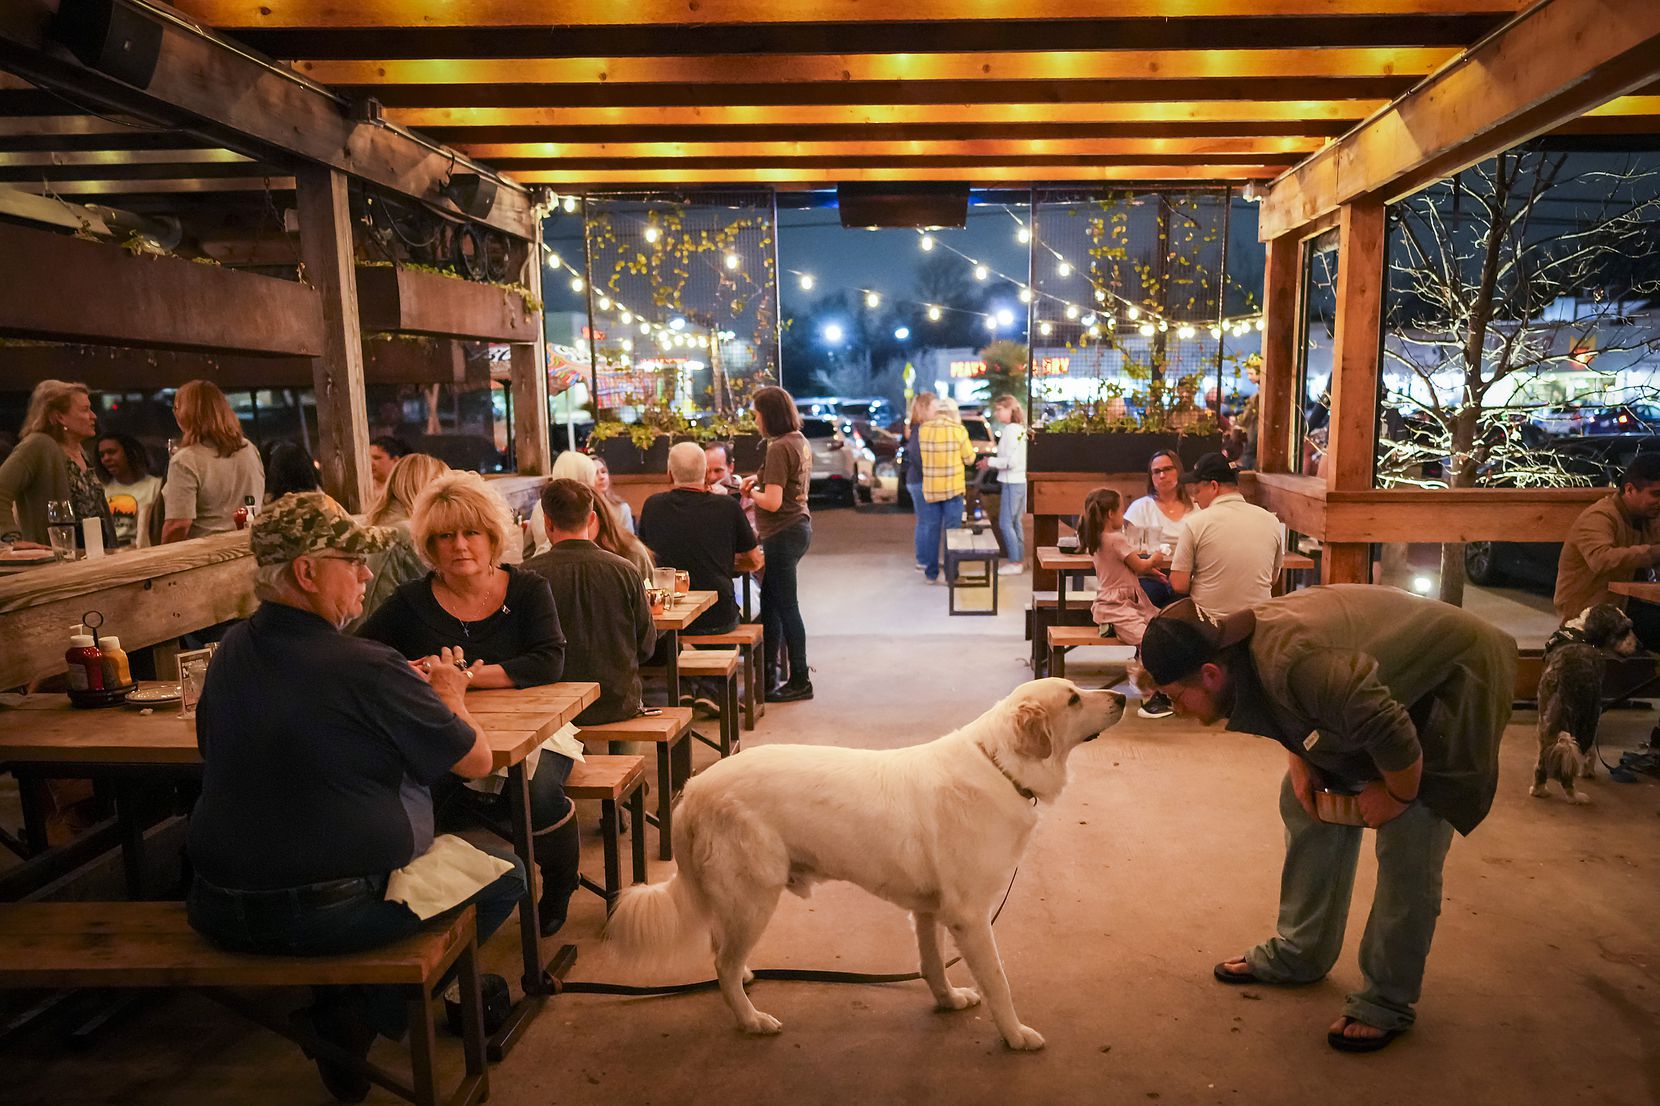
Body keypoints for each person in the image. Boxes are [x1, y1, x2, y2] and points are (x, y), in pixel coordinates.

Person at [186, 492, 525, 1100]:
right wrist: (451, 693)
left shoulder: (230, 651)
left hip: (214, 906)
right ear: (306, 573)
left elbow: (212, 745)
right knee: (507, 875)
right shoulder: (367, 666)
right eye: (354, 561)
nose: (368, 574)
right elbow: (475, 761)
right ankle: (360, 1018)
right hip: (326, 913)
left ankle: (346, 1007)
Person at [1140, 588, 1517, 1053]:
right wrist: (1302, 759)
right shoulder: (1238, 646)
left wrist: (1397, 792)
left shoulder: (1299, 664)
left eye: (1174, 698)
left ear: (1211, 673)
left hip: (1456, 678)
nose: (1175, 710)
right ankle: (1303, 950)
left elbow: (1389, 729)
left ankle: (1386, 1000)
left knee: (1411, 832)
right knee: (1302, 797)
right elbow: (1290, 706)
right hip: (1380, 688)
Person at [357, 471, 576, 935]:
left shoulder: (528, 589)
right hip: (443, 730)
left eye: (470, 532)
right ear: (428, 545)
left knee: (536, 793)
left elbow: (548, 661)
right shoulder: (409, 601)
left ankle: (559, 882)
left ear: (492, 536)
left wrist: (465, 678)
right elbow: (364, 656)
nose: (459, 545)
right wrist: (411, 670)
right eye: (444, 536)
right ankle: (438, 909)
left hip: (538, 725)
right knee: (412, 796)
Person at [640, 444, 765, 713]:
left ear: (669, 475)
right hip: (717, 616)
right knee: (726, 617)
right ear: (707, 474)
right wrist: (721, 563)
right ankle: (710, 688)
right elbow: (755, 559)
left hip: (669, 617)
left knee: (674, 635)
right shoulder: (726, 507)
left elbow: (647, 558)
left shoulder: (652, 507)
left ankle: (686, 686)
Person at [523, 479, 658, 725]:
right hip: (618, 702)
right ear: (592, 518)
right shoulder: (625, 570)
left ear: (547, 522)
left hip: (553, 706)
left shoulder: (527, 575)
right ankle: (625, 759)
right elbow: (647, 647)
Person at [743, 385, 814, 702]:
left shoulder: (777, 448)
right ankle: (768, 677)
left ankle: (800, 680)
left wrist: (748, 493)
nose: (755, 420)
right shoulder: (797, 441)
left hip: (782, 532)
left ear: (768, 414)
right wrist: (755, 482)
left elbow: (772, 501)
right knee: (772, 606)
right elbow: (783, 484)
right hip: (796, 527)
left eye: (757, 413)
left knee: (787, 607)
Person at [1554, 454, 1660, 648]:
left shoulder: (1648, 516)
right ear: (1629, 489)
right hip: (1589, 617)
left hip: (1624, 608)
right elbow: (1601, 559)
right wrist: (1654, 553)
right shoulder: (1599, 516)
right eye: (1656, 494)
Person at [0, 379, 115, 549]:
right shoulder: (38, 445)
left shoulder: (80, 451)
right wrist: (11, 540)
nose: (93, 416)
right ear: (59, 416)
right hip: (56, 564)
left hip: (92, 559)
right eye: (85, 410)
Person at [1078, 488, 1167, 703]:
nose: (1123, 517)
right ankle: (1149, 693)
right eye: (1121, 512)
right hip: (1118, 607)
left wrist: (1149, 571)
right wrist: (1157, 556)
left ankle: (1156, 684)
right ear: (1111, 514)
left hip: (1119, 603)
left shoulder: (1097, 537)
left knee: (1158, 630)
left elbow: (1126, 568)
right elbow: (1141, 565)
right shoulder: (1116, 539)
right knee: (1148, 639)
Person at [1170, 452, 1282, 618]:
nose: (1194, 499)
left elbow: (1179, 584)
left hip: (1210, 628)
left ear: (1214, 486)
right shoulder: (1271, 521)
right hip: (1259, 625)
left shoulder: (1196, 523)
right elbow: (1273, 578)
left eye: (1197, 491)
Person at [350, 452, 451, 629]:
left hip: (359, 636)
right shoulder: (410, 534)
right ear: (430, 491)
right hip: (386, 641)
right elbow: (444, 594)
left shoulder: (374, 525)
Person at [161, 379, 263, 542]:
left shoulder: (185, 460)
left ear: (186, 413)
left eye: (176, 408)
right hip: (249, 546)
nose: (175, 414)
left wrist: (164, 561)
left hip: (208, 555)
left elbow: (178, 525)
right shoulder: (248, 448)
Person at [915, 396, 978, 585]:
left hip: (932, 490)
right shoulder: (958, 430)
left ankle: (931, 574)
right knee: (953, 534)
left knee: (931, 531)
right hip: (953, 490)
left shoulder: (924, 430)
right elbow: (969, 458)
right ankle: (952, 575)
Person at [1124, 449, 1194, 607]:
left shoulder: (1196, 508)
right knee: (1150, 593)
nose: (1162, 476)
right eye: (1156, 472)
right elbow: (1133, 550)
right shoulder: (1140, 508)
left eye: (1168, 469)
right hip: (1150, 574)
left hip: (1189, 576)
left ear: (1178, 471)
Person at [982, 394, 1028, 575]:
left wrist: (990, 463)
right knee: (1015, 522)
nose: (997, 413)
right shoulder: (1019, 430)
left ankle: (1015, 561)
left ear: (1010, 409)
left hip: (1012, 481)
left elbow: (1010, 461)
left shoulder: (1011, 431)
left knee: (1005, 522)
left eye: (1000, 409)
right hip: (1018, 481)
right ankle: (1018, 559)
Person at [97, 432, 162, 549]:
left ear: (128, 453)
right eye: (102, 455)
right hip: (109, 551)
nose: (106, 458)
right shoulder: (101, 488)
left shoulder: (155, 485)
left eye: (111, 452)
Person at [902, 392, 938, 572]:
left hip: (917, 479)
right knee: (925, 521)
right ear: (924, 408)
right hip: (919, 481)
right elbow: (917, 456)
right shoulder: (918, 429)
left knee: (926, 520)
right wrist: (929, 474)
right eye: (933, 407)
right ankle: (923, 559)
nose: (936, 411)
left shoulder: (918, 427)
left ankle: (925, 558)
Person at [591, 455, 635, 534]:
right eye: (595, 473)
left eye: (603, 472)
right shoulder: (583, 510)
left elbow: (630, 541)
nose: (602, 477)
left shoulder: (622, 508)